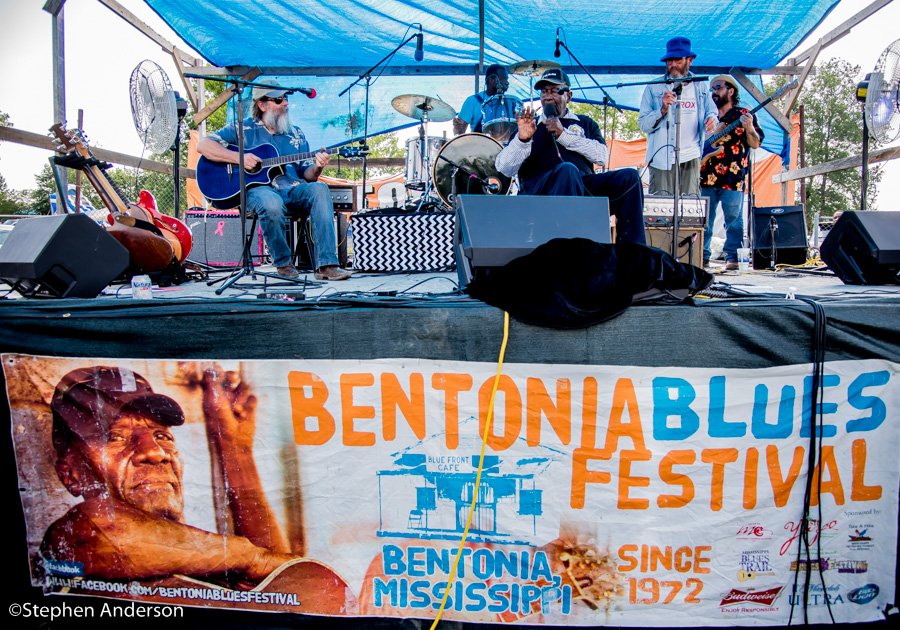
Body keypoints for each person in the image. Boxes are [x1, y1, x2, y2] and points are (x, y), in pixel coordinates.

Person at [41, 365, 296, 584]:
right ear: (70, 475)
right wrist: (253, 558)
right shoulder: (74, 539)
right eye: (114, 437)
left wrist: (235, 449)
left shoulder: (211, 559)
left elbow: (285, 583)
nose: (155, 452)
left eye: (162, 436)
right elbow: (103, 529)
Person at [197, 82, 350, 280]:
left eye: (285, 98)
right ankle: (284, 264)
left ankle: (327, 266)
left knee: (320, 188)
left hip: (292, 189)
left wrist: (318, 166)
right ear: (262, 105)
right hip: (258, 191)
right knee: (271, 202)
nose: (285, 103)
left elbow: (307, 175)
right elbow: (203, 145)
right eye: (278, 100)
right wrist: (239, 158)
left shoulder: (295, 133)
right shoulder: (242, 128)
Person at [494, 68, 646, 244]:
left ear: (569, 96)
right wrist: (523, 140)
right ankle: (568, 249)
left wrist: (563, 135)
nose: (548, 97)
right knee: (567, 170)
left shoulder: (585, 123)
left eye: (554, 91)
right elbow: (503, 168)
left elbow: (602, 156)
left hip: (582, 184)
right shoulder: (529, 126)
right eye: (544, 92)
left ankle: (633, 252)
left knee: (629, 178)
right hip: (541, 189)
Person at [638, 36, 718, 197]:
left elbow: (713, 112)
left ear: (690, 60)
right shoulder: (653, 87)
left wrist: (712, 120)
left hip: (691, 156)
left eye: (678, 60)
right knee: (662, 208)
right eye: (669, 60)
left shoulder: (700, 86)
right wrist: (661, 110)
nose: (673, 64)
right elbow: (643, 125)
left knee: (691, 207)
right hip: (661, 159)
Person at [700, 75, 764, 269]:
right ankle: (701, 256)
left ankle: (733, 258)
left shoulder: (743, 114)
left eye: (718, 87)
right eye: (712, 89)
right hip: (706, 175)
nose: (714, 92)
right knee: (704, 220)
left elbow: (755, 143)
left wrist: (749, 127)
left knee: (734, 220)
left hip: (733, 176)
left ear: (731, 91)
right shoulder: (708, 115)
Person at [452, 64, 510, 135]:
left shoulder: (509, 103)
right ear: (492, 80)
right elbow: (459, 134)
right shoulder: (473, 101)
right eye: (504, 79)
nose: (507, 83)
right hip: (478, 141)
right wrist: (458, 128)